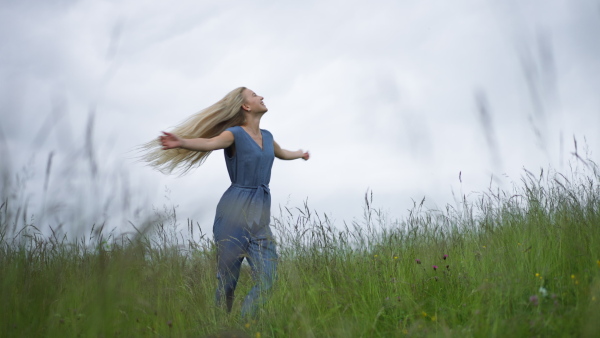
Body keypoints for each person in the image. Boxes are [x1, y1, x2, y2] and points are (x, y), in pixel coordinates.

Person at [140, 87, 309, 318]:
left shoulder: (268, 137)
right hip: (233, 212)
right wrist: (182, 142)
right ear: (246, 106)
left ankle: (244, 325)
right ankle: (221, 326)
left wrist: (300, 153)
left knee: (268, 277)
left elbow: (281, 153)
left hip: (260, 216)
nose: (261, 96)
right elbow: (209, 143)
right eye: (254, 95)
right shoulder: (234, 135)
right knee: (228, 282)